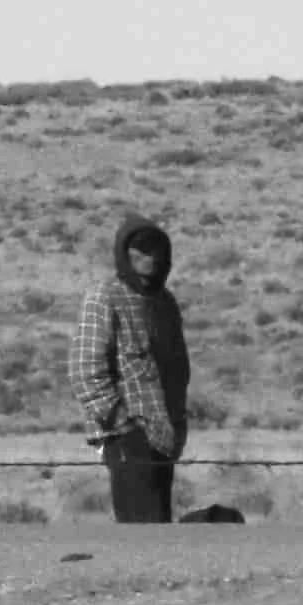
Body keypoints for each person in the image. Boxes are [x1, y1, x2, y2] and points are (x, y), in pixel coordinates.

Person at [69, 215, 190, 523]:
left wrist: (176, 426)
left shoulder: (165, 304)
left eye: (155, 251)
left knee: (160, 528)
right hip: (126, 437)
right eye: (139, 251)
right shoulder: (105, 297)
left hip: (164, 437)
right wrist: (123, 424)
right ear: (124, 254)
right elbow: (86, 369)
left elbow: (178, 370)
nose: (148, 259)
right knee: (142, 534)